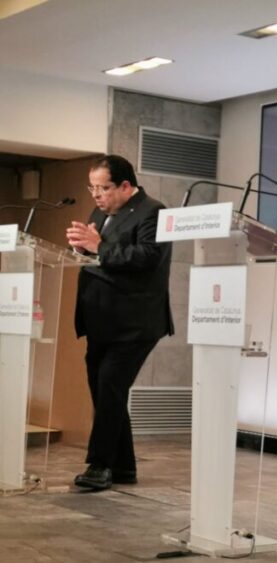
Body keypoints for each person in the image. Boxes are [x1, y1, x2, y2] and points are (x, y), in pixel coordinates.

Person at [66, 154, 173, 491]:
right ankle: (124, 466)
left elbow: (148, 257)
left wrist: (99, 247)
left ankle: (99, 465)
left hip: (135, 322)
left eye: (103, 188)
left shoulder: (153, 211)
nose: (96, 195)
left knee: (110, 386)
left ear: (126, 186)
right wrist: (82, 249)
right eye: (92, 188)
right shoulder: (100, 213)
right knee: (105, 390)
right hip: (101, 319)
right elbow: (98, 252)